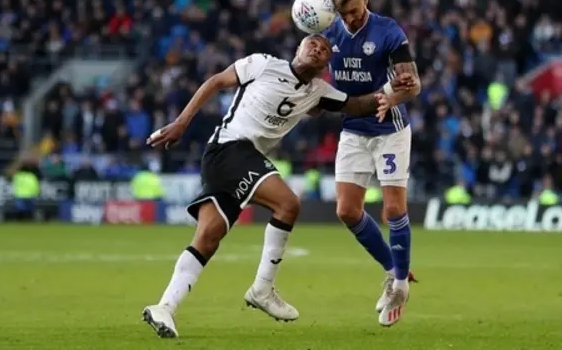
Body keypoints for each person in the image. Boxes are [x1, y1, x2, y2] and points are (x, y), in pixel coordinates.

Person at [141, 34, 419, 339]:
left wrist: (392, 89)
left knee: (208, 237)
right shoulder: (262, 64)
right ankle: (262, 288)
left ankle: (164, 307)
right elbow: (216, 82)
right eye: (312, 43)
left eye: (325, 49)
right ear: (297, 47)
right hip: (228, 148)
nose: (318, 48)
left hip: (240, 161)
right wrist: (181, 123)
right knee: (288, 203)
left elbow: (357, 105)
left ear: (327, 64)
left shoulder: (318, 92)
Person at [321, 0, 421, 327]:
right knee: (347, 211)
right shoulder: (328, 31)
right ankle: (394, 269)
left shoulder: (388, 31)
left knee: (393, 208)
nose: (350, 18)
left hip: (389, 128)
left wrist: (391, 95)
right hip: (353, 129)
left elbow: (414, 84)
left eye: (353, 9)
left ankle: (399, 288)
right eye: (343, 13)